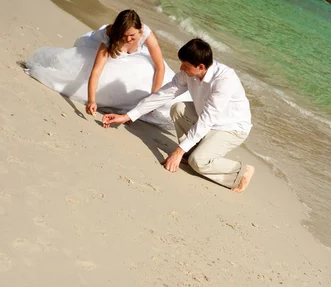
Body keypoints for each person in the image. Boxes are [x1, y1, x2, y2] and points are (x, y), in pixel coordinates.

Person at [102, 38, 255, 193]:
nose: (181, 68)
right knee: (178, 108)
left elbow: (207, 120)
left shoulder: (224, 79)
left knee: (198, 162)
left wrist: (178, 152)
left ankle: (240, 173)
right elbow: (163, 94)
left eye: (186, 66)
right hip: (207, 120)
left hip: (231, 128)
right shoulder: (187, 73)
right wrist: (128, 116)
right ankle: (190, 151)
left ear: (201, 66)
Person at [26, 9, 185, 126]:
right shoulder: (109, 37)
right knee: (73, 70)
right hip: (94, 47)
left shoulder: (145, 33)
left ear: (140, 31)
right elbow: (96, 72)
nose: (129, 39)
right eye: (125, 36)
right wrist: (92, 100)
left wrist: (153, 99)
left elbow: (159, 67)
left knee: (152, 76)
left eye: (133, 36)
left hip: (132, 56)